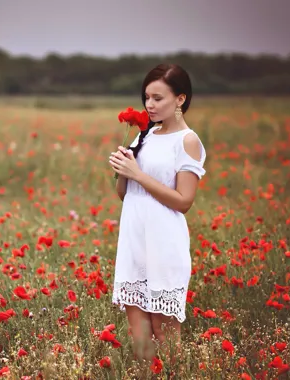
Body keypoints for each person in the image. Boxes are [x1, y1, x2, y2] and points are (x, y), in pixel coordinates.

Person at [108, 63, 207, 365]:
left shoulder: (188, 141)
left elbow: (184, 201)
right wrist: (123, 169)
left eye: (158, 98)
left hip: (164, 242)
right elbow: (125, 195)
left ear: (180, 99)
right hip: (134, 240)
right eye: (146, 97)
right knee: (139, 337)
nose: (149, 105)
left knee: (164, 334)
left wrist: (138, 174)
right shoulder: (143, 137)